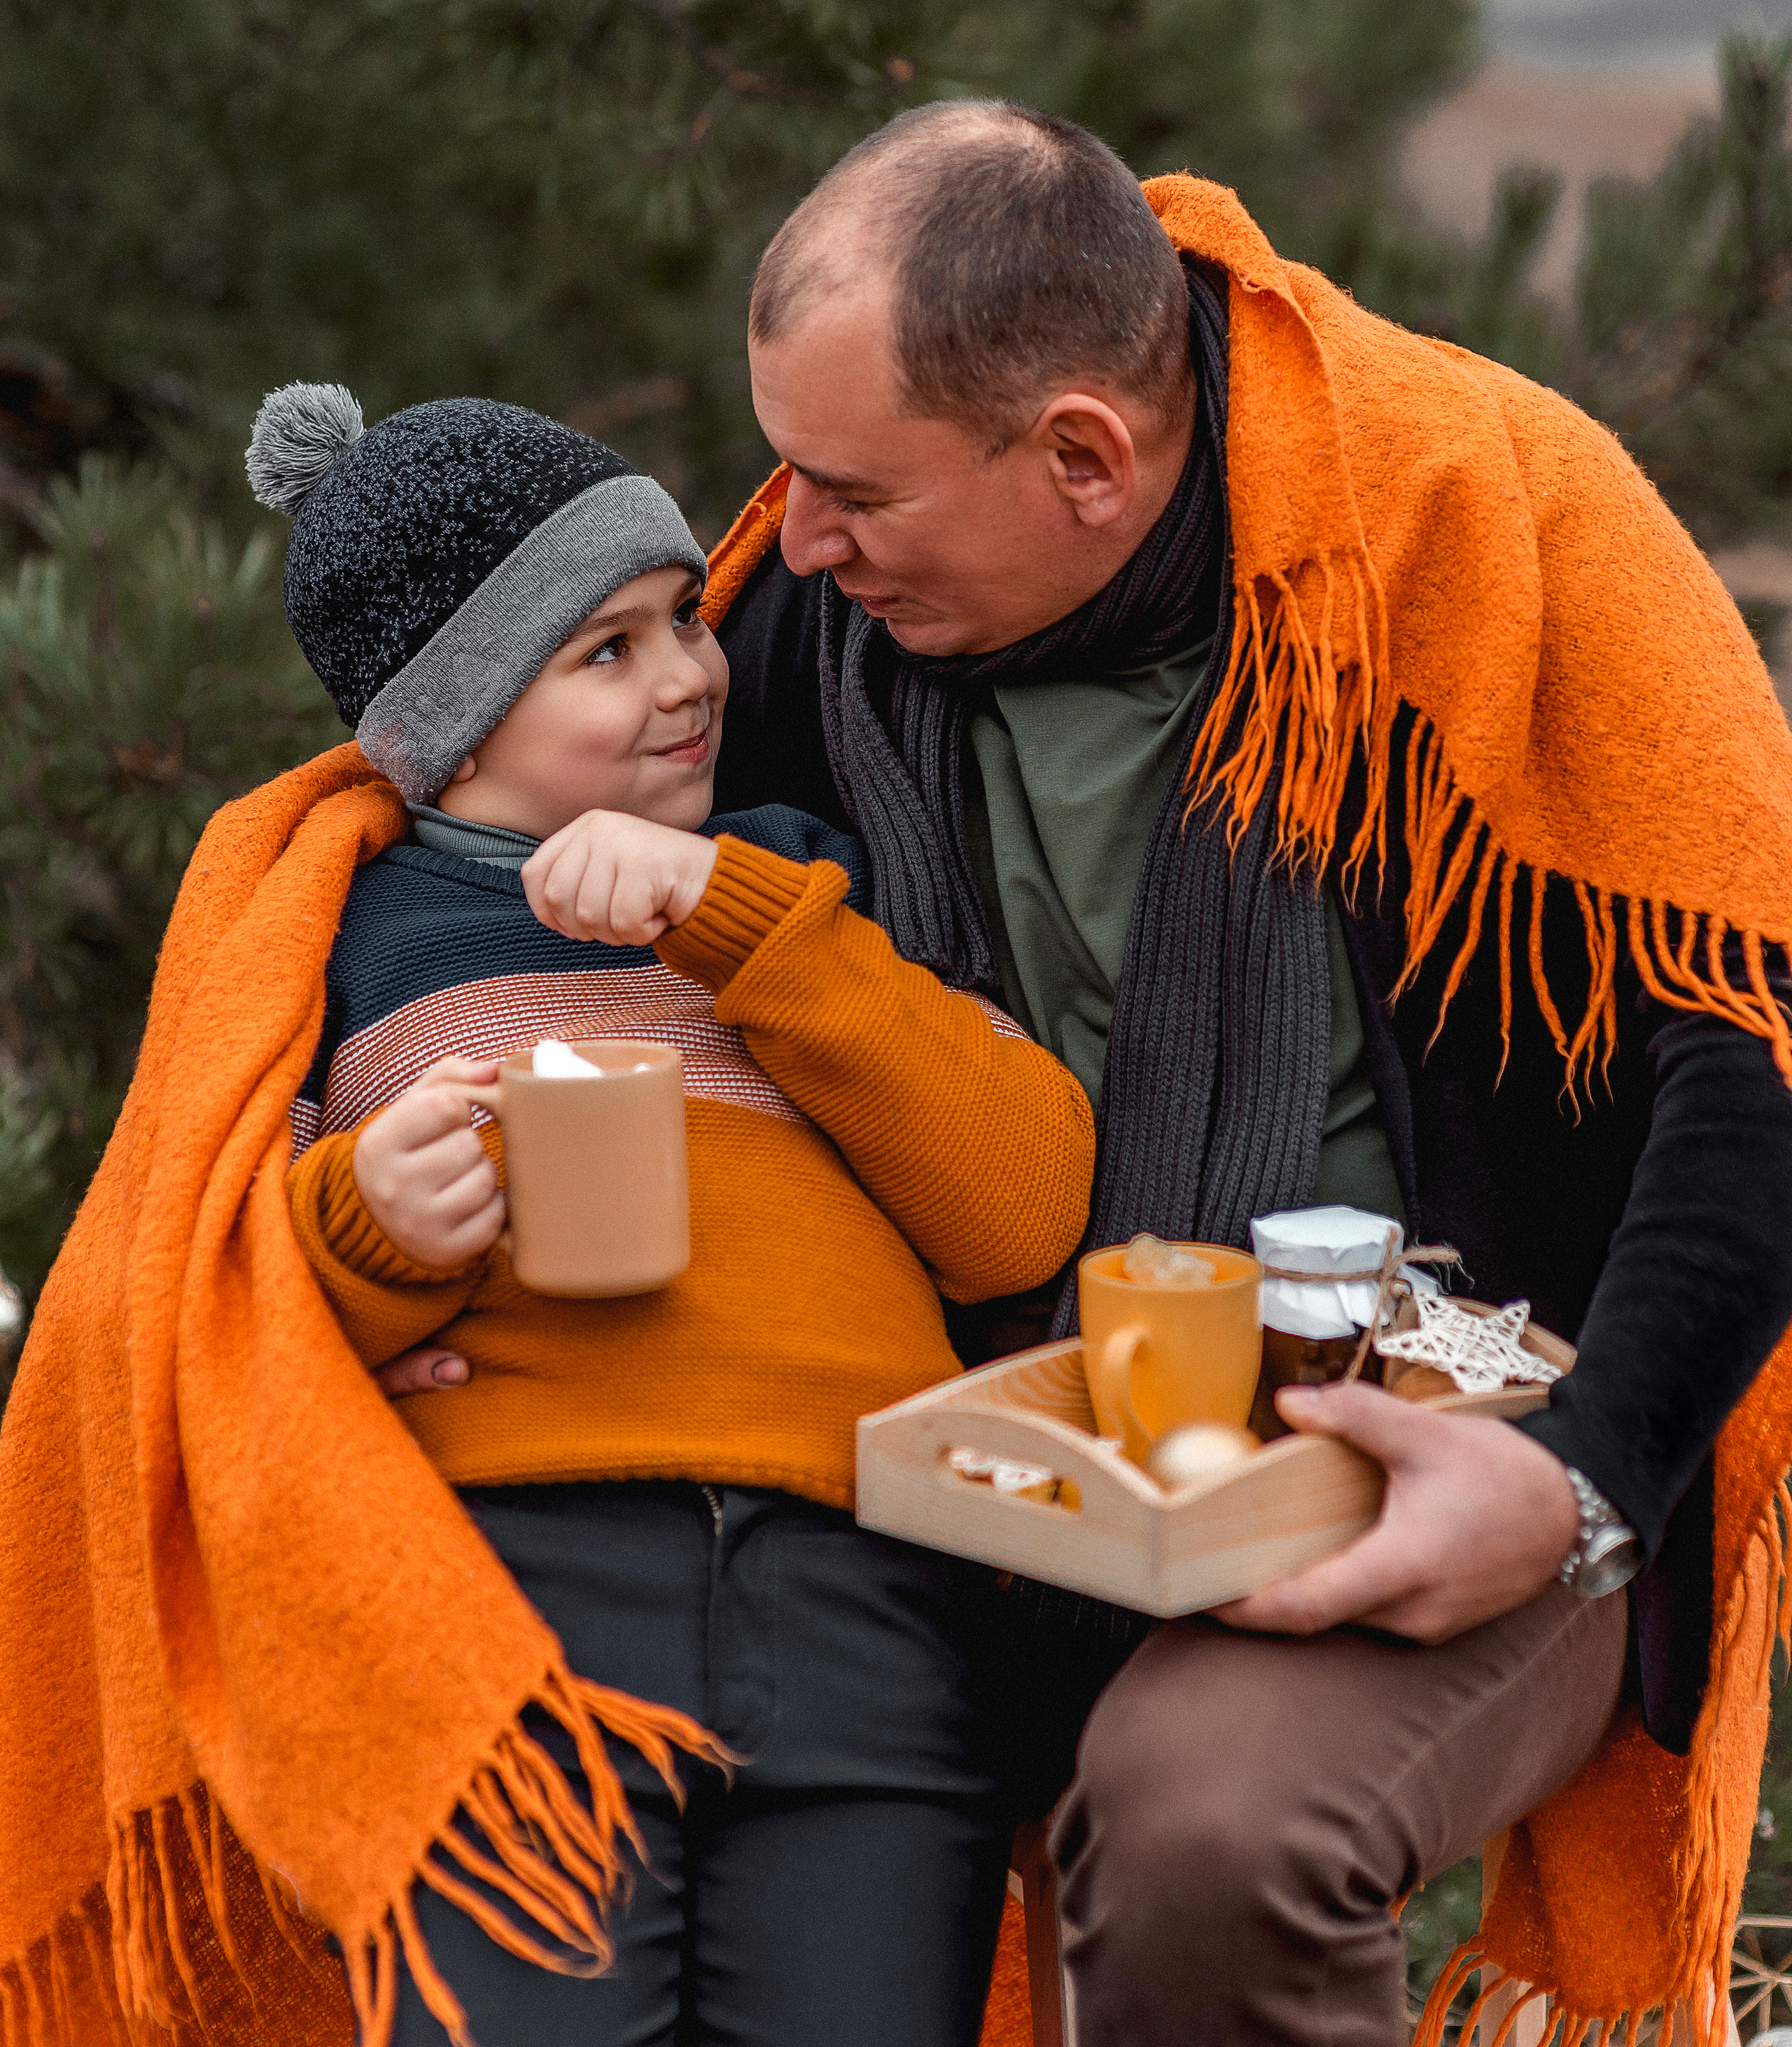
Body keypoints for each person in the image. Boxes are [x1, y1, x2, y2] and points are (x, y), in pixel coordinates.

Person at [392, 99, 1792, 2046]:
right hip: (971, 1441)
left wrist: (1578, 1492)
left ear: (1084, 456)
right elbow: (460, 833)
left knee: (1212, 1827)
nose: (780, 548)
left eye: (849, 491)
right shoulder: (825, 615)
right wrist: (361, 1252)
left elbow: (1757, 1060)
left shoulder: (1494, 524)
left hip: (1447, 1441)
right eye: (786, 477)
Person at [0, 383, 1094, 2047]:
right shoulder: (346, 950)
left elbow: (1018, 1210)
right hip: (512, 1628)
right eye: (605, 650)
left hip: (862, 1611)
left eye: (680, 620)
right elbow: (208, 1316)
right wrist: (366, 1232)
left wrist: (737, 923)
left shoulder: (798, 888)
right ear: (455, 718)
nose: (686, 677)